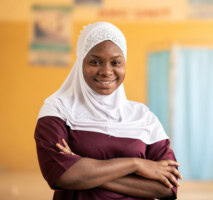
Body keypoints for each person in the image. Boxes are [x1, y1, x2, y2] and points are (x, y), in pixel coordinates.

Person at [34, 22, 181, 200]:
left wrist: (83, 169)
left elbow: (167, 188)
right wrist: (135, 165)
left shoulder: (144, 117)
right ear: (81, 63)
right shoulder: (57, 110)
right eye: (95, 61)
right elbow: (60, 175)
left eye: (116, 62)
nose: (106, 71)